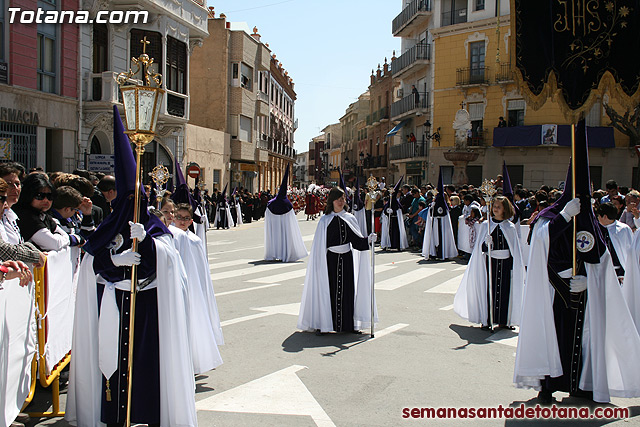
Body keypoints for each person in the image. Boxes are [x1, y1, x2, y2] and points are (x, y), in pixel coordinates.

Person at [66, 106, 196, 427]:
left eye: (138, 200)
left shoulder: (153, 227)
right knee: (111, 364)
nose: (133, 208)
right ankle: (111, 415)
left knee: (144, 365)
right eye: (128, 201)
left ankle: (144, 414)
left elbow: (168, 262)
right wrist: (113, 260)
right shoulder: (107, 228)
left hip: (147, 306)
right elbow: (90, 264)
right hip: (113, 304)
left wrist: (149, 243)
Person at [515, 122, 640, 405]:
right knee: (554, 337)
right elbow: (540, 244)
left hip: (584, 292)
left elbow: (603, 257)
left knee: (584, 339)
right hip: (554, 290)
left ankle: (582, 385)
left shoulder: (591, 221)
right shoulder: (551, 214)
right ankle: (547, 385)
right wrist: (563, 219)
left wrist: (590, 280)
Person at [297, 187, 377, 334]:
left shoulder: (350, 218)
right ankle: (326, 324)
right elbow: (320, 246)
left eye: (343, 199)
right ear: (332, 201)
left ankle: (348, 325)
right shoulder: (325, 221)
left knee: (347, 291)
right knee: (329, 291)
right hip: (330, 260)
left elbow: (357, 242)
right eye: (338, 199)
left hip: (346, 259)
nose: (341, 202)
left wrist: (368, 240)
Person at [454, 196, 525, 330]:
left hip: (505, 264)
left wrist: (514, 265)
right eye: (494, 207)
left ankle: (504, 320)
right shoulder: (487, 225)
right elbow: (479, 248)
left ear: (505, 209)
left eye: (499, 207)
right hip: (490, 263)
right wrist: (486, 245)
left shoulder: (509, 227)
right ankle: (487, 319)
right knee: (489, 290)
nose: (495, 209)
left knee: (505, 291)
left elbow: (514, 249)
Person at [171, 203, 223, 374]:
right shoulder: (169, 236)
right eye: (179, 217)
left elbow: (201, 270)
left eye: (186, 219)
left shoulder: (195, 240)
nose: (182, 221)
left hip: (193, 288)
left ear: (191, 221)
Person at [13, 174, 82, 251]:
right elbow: (54, 244)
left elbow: (62, 234)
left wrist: (66, 238)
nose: (46, 200)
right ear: (29, 195)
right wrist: (73, 239)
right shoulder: (26, 216)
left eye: (50, 196)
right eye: (40, 196)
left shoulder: (44, 215)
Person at [264, 165, 308, 263]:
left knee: (275, 237)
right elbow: (292, 224)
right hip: (284, 226)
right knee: (286, 237)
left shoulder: (271, 203)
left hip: (274, 227)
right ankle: (286, 253)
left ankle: (275, 252)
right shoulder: (287, 204)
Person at [422, 171, 458, 260]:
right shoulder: (433, 204)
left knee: (442, 238)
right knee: (434, 238)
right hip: (434, 224)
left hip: (442, 225)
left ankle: (443, 253)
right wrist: (432, 207)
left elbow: (443, 213)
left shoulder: (444, 206)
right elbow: (431, 214)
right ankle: (433, 252)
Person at [596, 202, 632, 282]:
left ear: (604, 216)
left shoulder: (623, 229)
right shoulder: (597, 230)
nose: (598, 218)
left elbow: (629, 252)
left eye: (598, 216)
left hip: (619, 273)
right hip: (602, 271)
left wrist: (623, 272)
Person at [381, 177, 408, 251]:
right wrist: (387, 211)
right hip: (389, 220)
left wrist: (394, 211)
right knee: (389, 233)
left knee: (396, 233)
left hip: (396, 220)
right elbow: (384, 211)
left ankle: (397, 245)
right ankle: (388, 244)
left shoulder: (396, 203)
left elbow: (399, 210)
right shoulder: (388, 202)